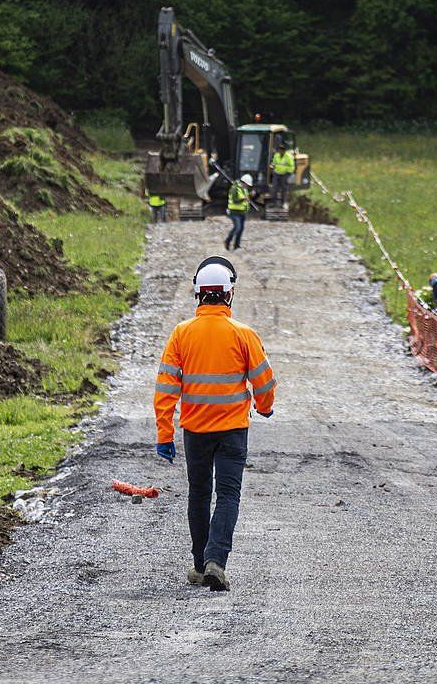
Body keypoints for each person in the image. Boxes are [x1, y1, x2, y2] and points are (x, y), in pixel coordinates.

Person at [154, 256, 277, 591]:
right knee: (228, 494)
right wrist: (265, 407)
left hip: (195, 430)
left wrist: (165, 434)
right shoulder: (244, 334)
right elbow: (264, 382)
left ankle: (199, 563)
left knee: (198, 494)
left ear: (197, 294)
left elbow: (166, 388)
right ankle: (216, 561)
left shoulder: (181, 334)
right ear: (229, 294)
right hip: (233, 430)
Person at [224, 174, 252, 250]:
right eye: (247, 185)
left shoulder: (244, 189)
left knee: (241, 229)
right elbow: (234, 200)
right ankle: (227, 241)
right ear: (243, 182)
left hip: (242, 212)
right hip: (234, 212)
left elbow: (245, 199)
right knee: (237, 227)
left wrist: (250, 195)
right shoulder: (234, 188)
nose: (247, 186)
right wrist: (244, 199)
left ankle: (236, 245)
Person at [270, 142, 295, 207]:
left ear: (284, 150)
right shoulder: (276, 155)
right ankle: (274, 202)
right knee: (274, 188)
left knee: (284, 188)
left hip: (285, 174)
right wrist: (272, 167)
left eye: (281, 149)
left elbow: (291, 166)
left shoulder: (288, 157)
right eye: (279, 149)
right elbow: (274, 163)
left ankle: (283, 202)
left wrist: (288, 173)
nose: (280, 151)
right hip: (276, 173)